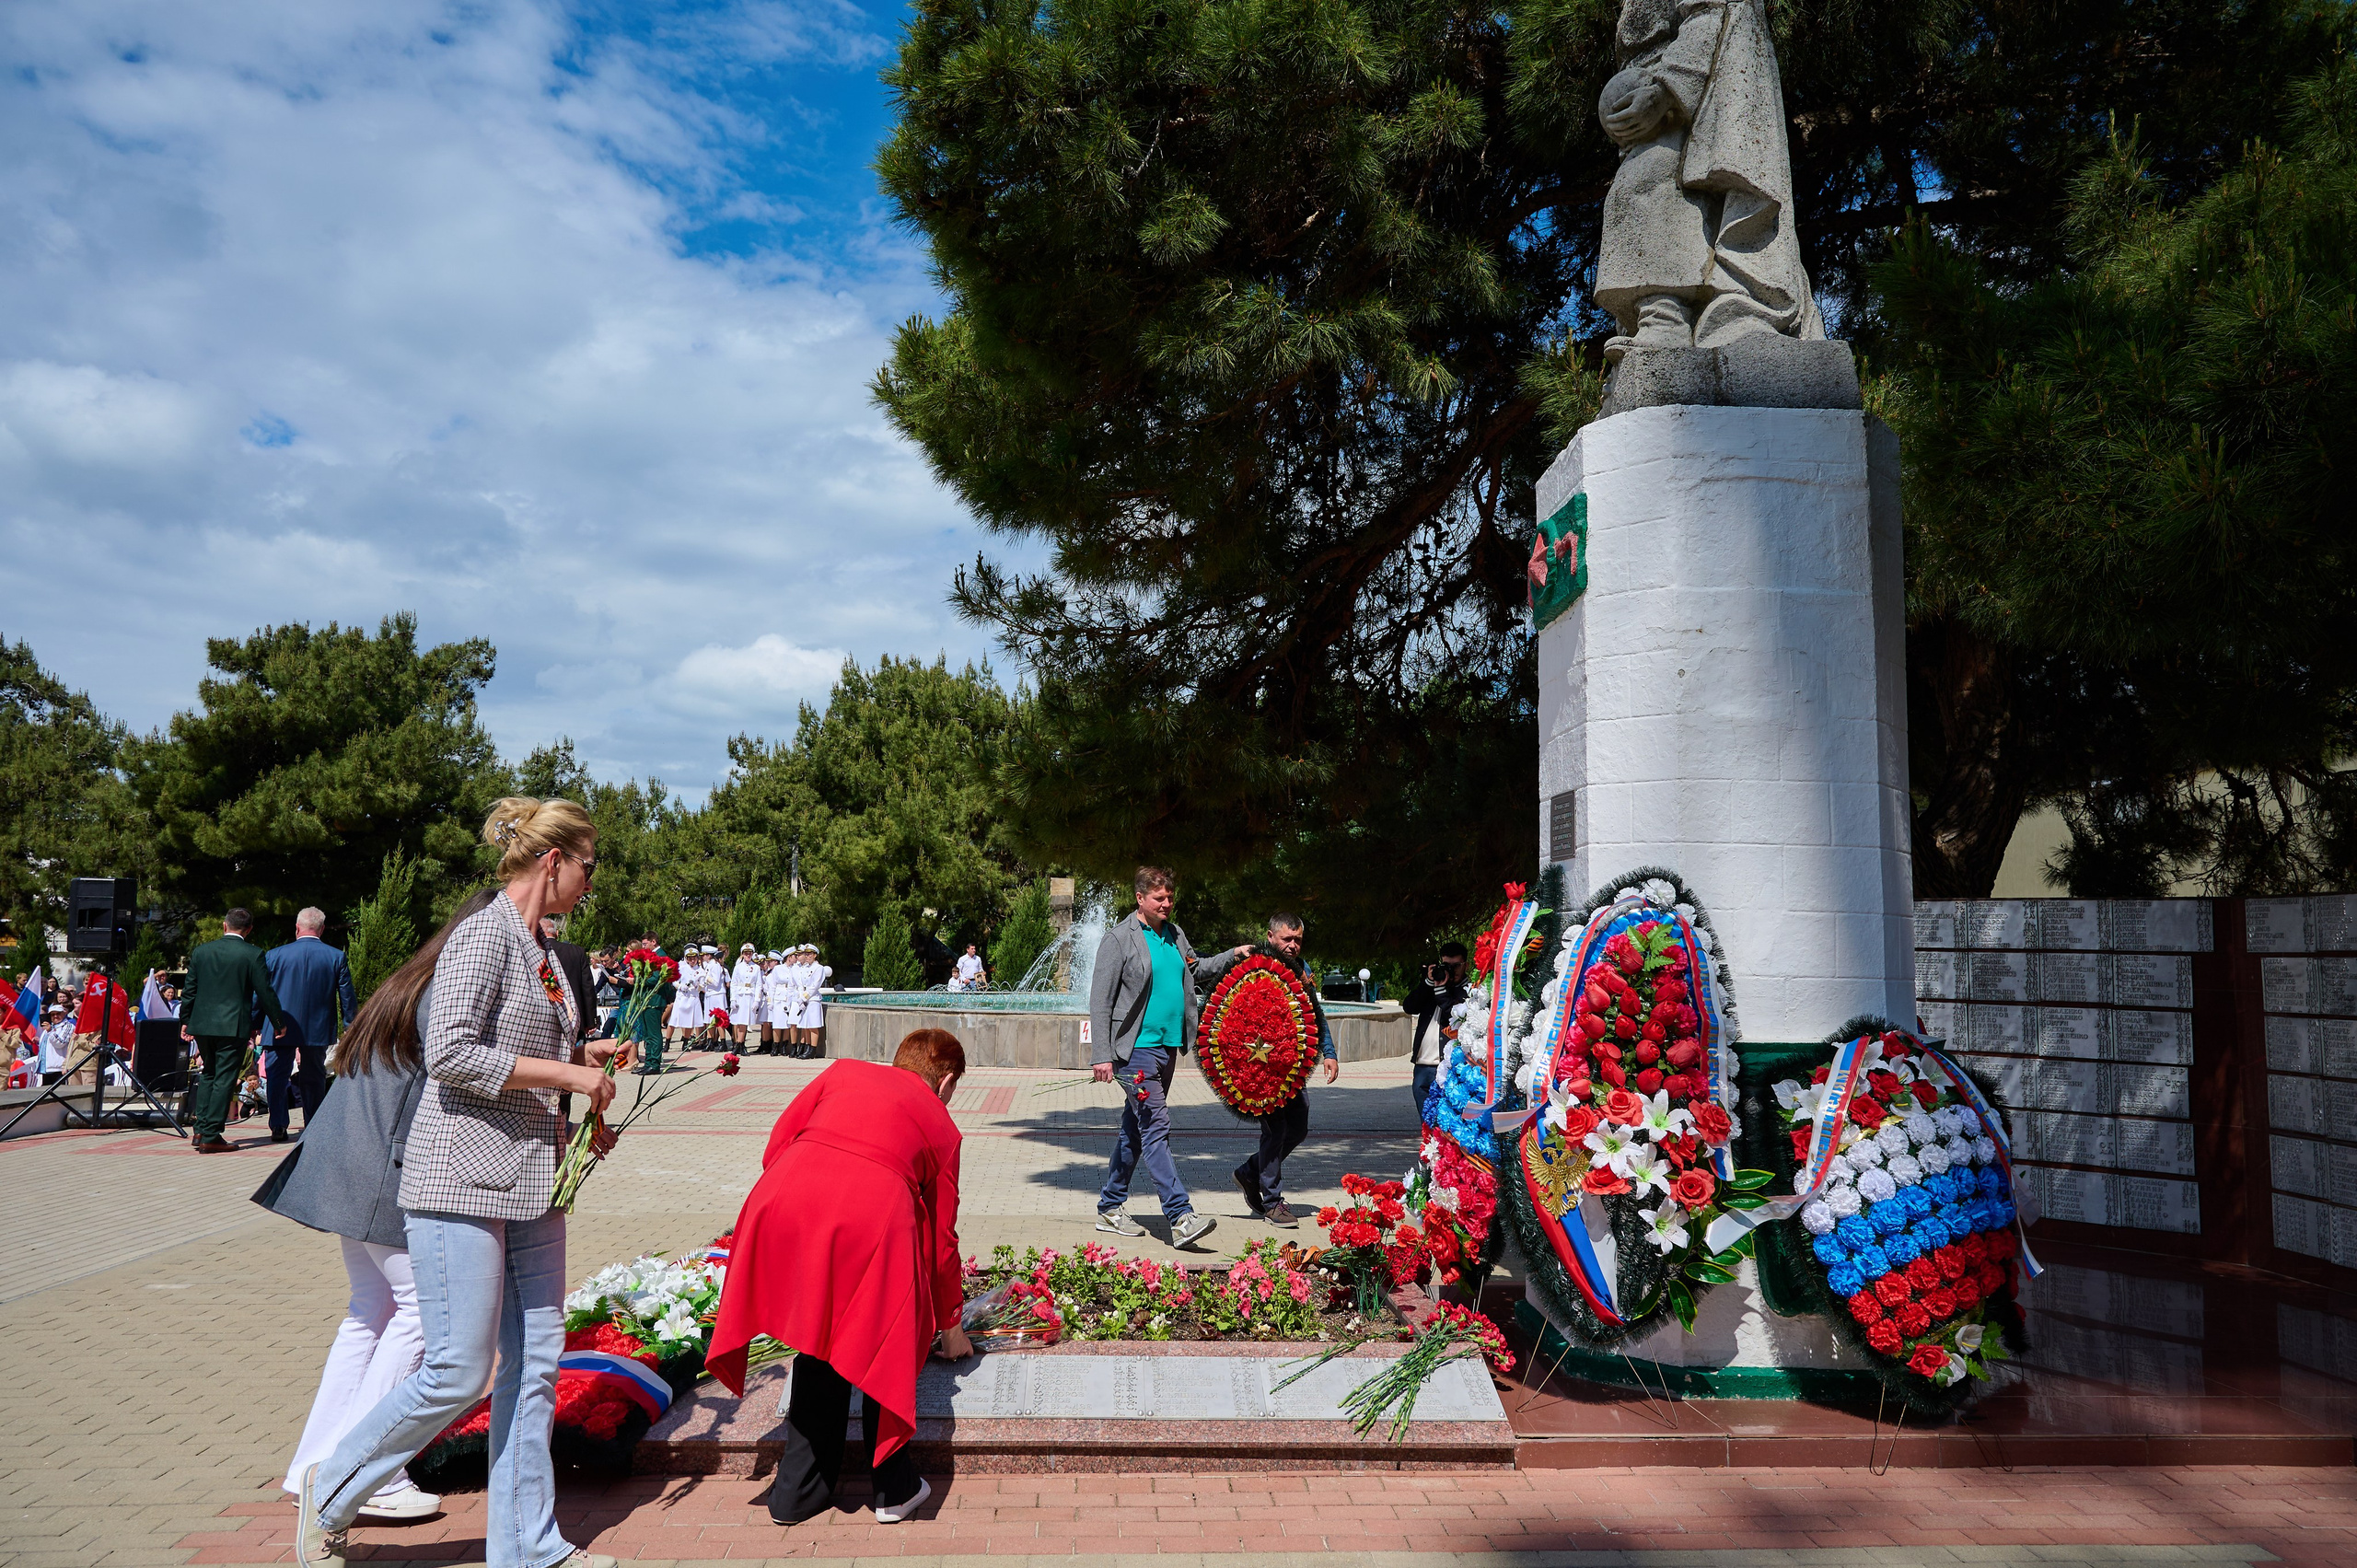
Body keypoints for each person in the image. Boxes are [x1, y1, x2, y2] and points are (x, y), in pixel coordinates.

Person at [293, 796, 630, 1568]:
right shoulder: (482, 937)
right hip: (459, 1180)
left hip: (533, 1179)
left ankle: (527, 1545)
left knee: (537, 1363)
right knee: (456, 1368)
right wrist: (569, 1074)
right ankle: (332, 1484)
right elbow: (450, 1052)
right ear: (554, 860)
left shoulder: (543, 950)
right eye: (589, 863)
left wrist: (587, 1097)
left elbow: (538, 1055)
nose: (590, 879)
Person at [255, 888, 501, 1525]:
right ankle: (368, 1473)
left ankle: (313, 1466)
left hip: (342, 1157)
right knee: (421, 1312)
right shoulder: (450, 986)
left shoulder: (413, 978)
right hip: (384, 1168)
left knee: (371, 1312)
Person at [705, 1029, 970, 1527]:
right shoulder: (943, 1125)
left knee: (817, 1337)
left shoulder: (842, 1071)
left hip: (782, 1200)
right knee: (883, 1335)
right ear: (947, 1080)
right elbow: (942, 1240)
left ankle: (797, 1493)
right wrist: (950, 1326)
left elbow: (779, 1142)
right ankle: (893, 1489)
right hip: (872, 1220)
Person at [1088, 866, 1215, 1249]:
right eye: (1159, 898)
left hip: (1167, 1048)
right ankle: (1179, 1216)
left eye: (1170, 898)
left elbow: (1198, 970)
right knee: (1156, 1125)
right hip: (1135, 1051)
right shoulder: (1119, 939)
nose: (1166, 903)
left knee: (1136, 1129)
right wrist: (1102, 1055)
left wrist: (1236, 955)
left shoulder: (1175, 935)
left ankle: (1110, 1207)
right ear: (1140, 898)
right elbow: (1100, 1000)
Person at [1195, 913, 1337, 1227]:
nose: (1292, 945)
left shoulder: (1303, 970)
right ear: (1270, 936)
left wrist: (1329, 1052)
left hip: (1288, 1068)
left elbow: (1315, 1016)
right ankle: (1273, 1202)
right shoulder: (1253, 964)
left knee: (1298, 1128)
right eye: (1287, 939)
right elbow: (1227, 1008)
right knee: (1275, 1131)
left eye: (1298, 939)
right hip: (1256, 1068)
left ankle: (1249, 1173)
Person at [181, 909, 296, 1155]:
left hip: (202, 1024)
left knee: (209, 1073)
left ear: (224, 926)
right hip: (232, 1025)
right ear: (250, 929)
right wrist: (278, 1021)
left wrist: (185, 1019)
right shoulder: (252, 954)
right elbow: (265, 992)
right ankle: (211, 1135)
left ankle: (200, 1129)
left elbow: (190, 988)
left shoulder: (202, 952)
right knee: (224, 1077)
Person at [261, 908, 361, 1145]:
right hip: (316, 1027)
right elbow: (347, 996)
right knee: (314, 1076)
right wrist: (351, 1025)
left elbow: (262, 994)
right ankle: (313, 1124)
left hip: (279, 1026)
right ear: (322, 929)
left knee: (277, 1075)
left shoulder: (274, 955)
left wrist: (256, 1023)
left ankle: (277, 1125)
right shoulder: (336, 956)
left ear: (297, 928)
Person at [1401, 941, 1469, 1120]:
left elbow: (1456, 1018)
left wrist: (1441, 993)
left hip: (1449, 1066)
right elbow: (1409, 1006)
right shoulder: (1433, 986)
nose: (1451, 970)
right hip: (1423, 1066)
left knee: (1449, 1123)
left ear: (1466, 965)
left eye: (1456, 966)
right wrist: (1428, 983)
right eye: (1447, 965)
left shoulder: (1469, 991)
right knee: (1427, 1122)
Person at [796, 947, 832, 1059]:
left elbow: (815, 985)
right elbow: (801, 983)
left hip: (813, 999)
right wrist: (800, 997)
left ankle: (812, 1049)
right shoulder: (805, 968)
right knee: (806, 1025)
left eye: (809, 954)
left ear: (815, 955)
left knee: (813, 1026)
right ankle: (807, 1048)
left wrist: (804, 998)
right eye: (806, 954)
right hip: (804, 998)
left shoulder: (819, 968)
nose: (807, 956)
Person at [729, 945, 762, 1049]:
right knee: (739, 1022)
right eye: (746, 953)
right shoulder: (738, 967)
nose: (748, 955)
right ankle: (739, 1045)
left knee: (744, 1022)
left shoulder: (756, 968)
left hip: (750, 997)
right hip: (740, 996)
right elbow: (733, 984)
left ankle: (740, 1045)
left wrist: (757, 1000)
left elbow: (759, 985)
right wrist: (733, 999)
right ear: (742, 954)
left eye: (750, 953)